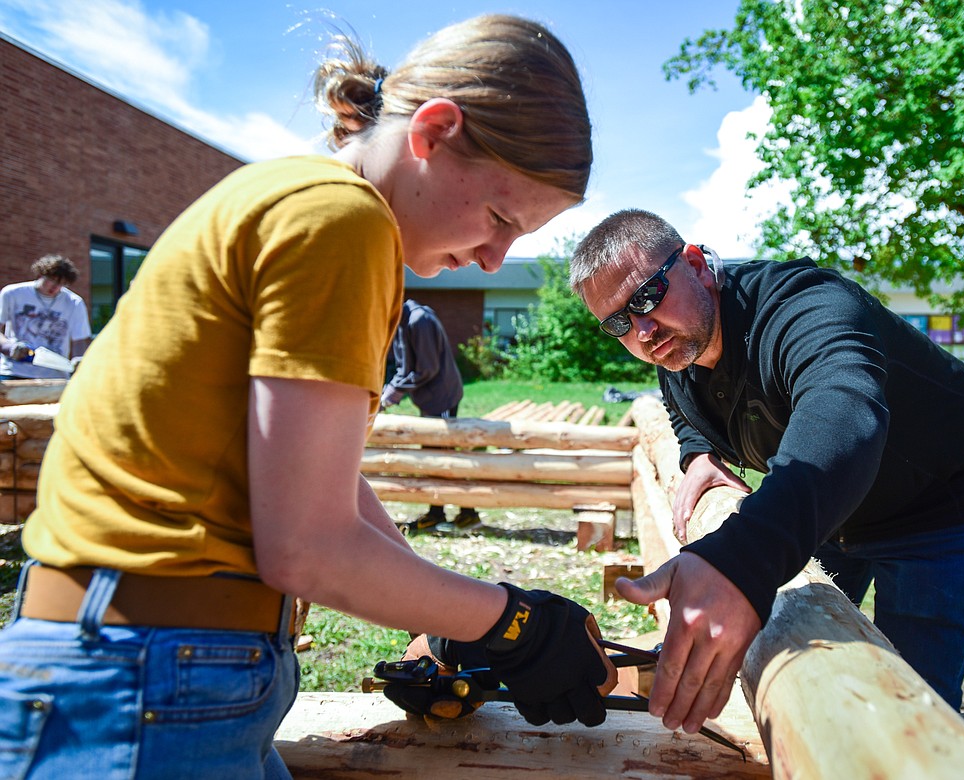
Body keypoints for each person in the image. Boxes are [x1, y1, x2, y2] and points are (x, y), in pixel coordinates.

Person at [0, 16, 616, 779]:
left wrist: (462, 619)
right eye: (500, 218)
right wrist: (513, 622)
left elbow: (323, 484)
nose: (495, 255)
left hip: (146, 656)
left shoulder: (308, 201)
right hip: (150, 670)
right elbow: (308, 548)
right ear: (434, 130)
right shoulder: (342, 222)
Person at [569, 208, 964, 733]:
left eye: (647, 297)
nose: (643, 331)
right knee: (802, 671)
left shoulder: (806, 307)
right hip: (825, 504)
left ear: (696, 265)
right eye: (619, 322)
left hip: (934, 508)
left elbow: (843, 412)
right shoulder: (678, 349)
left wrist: (740, 559)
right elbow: (676, 400)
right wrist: (699, 452)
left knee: (916, 711)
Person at [381, 298, 480, 533]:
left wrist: (390, 396)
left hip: (441, 397)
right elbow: (403, 366)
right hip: (429, 398)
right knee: (432, 454)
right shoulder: (404, 321)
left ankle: (468, 513)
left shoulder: (419, 320)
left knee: (443, 457)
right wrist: (387, 392)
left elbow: (426, 369)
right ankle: (437, 512)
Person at [0, 254, 91, 380]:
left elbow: (79, 340)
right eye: (52, 280)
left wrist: (79, 360)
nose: (55, 287)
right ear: (40, 274)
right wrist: (9, 347)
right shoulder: (12, 294)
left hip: (54, 376)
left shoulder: (74, 303)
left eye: (62, 284)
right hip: (13, 371)